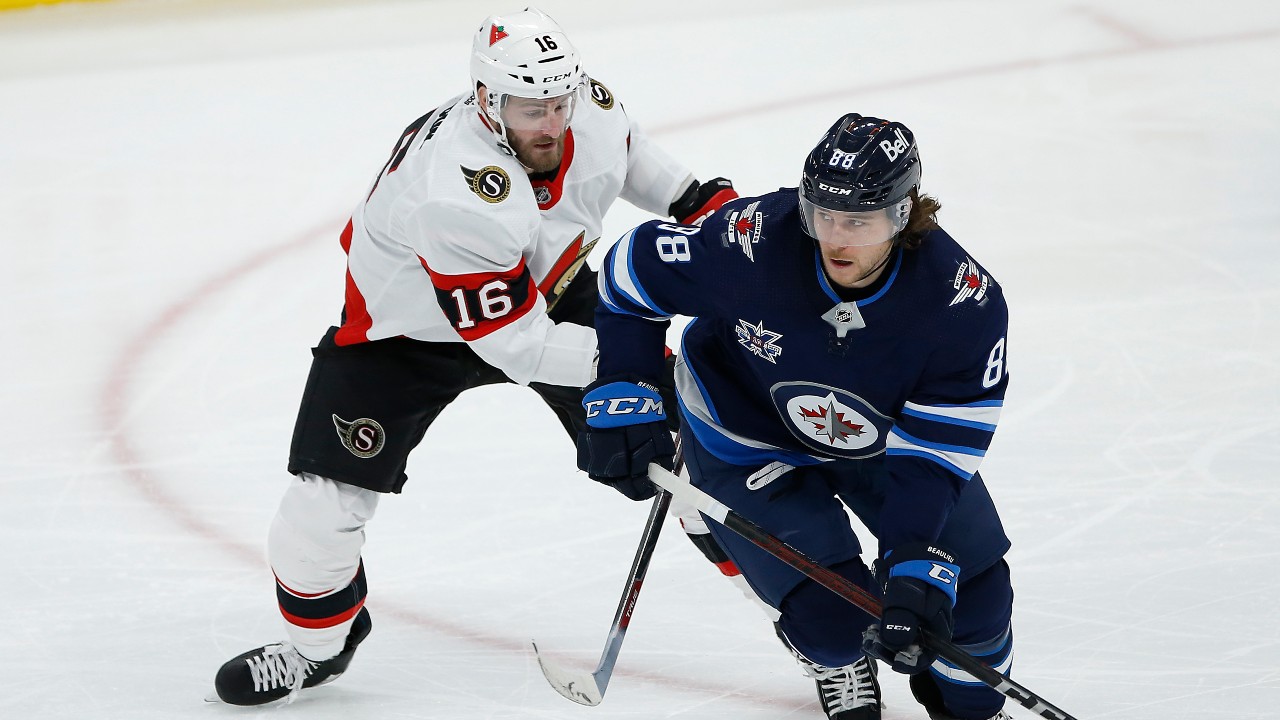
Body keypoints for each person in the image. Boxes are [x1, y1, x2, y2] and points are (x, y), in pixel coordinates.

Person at [212, 7, 737, 706]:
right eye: (530, 109)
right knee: (316, 515)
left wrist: (707, 210)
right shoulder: (454, 193)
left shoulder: (587, 106)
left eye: (558, 102)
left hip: (546, 292)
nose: (550, 123)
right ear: (488, 103)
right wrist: (631, 366)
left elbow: (634, 157)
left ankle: (806, 626)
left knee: (695, 458)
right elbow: (515, 346)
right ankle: (316, 649)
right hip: (404, 339)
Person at [577, 113, 1017, 720]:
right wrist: (626, 387)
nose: (837, 240)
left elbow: (937, 451)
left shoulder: (960, 302)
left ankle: (970, 702)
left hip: (885, 448)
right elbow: (630, 273)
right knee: (835, 625)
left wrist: (911, 554)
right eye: (823, 216)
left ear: (903, 214)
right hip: (744, 439)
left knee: (972, 603)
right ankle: (835, 659)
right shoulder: (752, 241)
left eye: (859, 221)